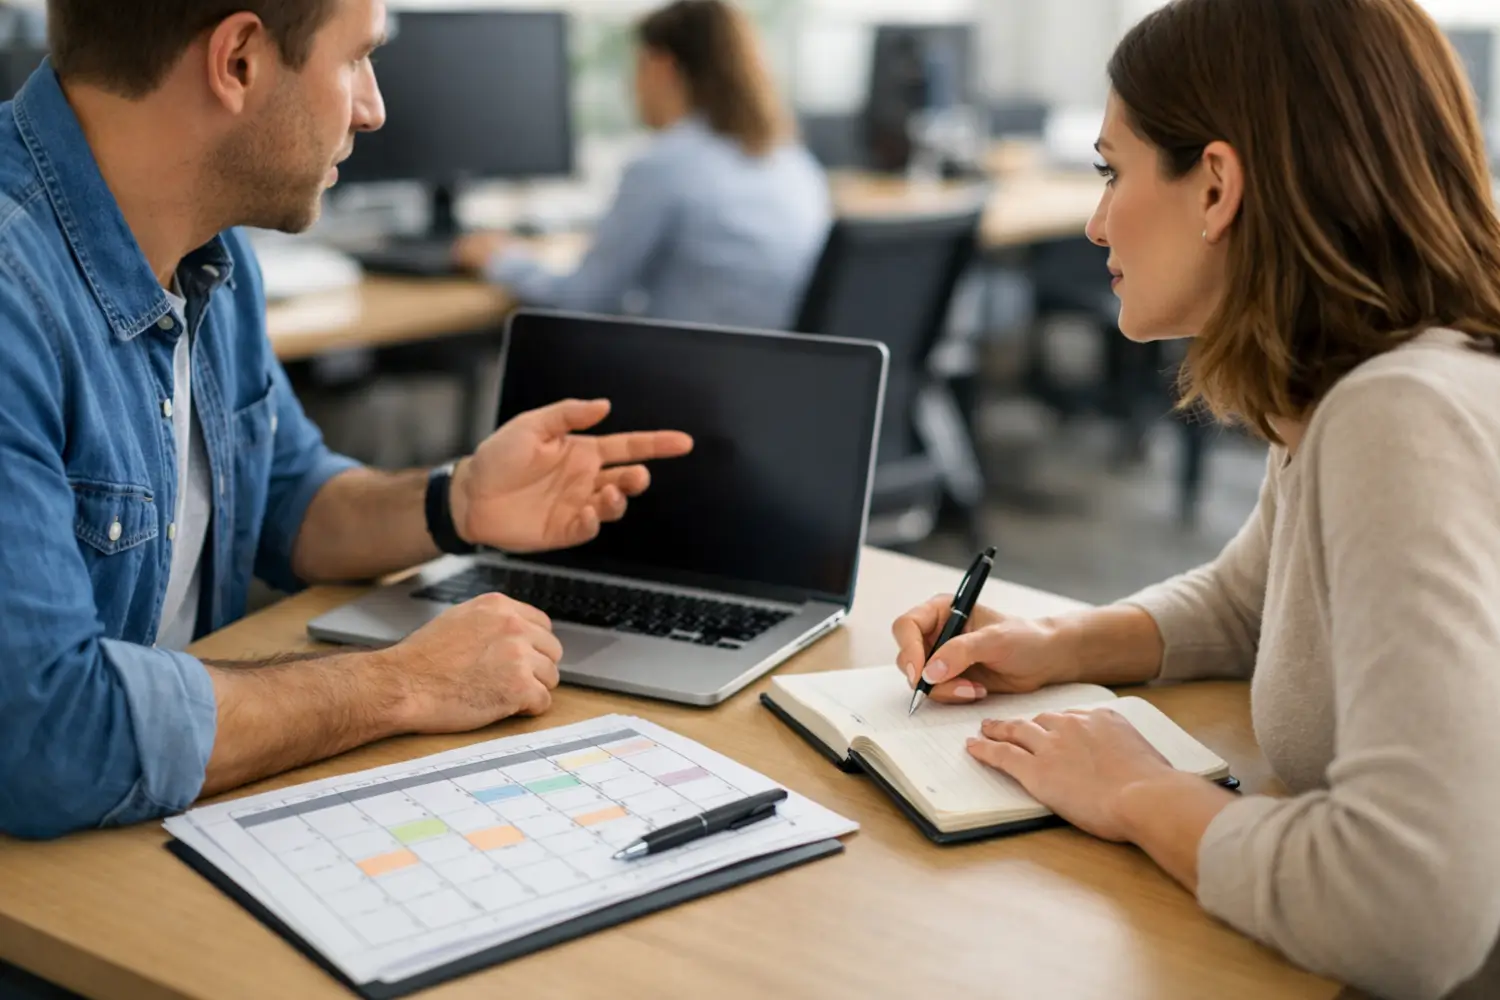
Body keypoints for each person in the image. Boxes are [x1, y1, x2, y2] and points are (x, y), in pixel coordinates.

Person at [892, 1, 1500, 997]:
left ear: (1215, 185)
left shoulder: (1400, 415)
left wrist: (1135, 790)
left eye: (1110, 171)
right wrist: (1059, 645)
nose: (1094, 220)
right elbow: (1254, 603)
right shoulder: (1357, 386)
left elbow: (1409, 904)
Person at [0, 0, 693, 841]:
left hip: (156, 828)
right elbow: (45, 735)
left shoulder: (209, 247)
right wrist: (402, 684)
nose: (373, 107)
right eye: (356, 59)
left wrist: (457, 501)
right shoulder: (12, 295)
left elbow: (287, 495)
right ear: (240, 61)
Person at [452, 0, 830, 332]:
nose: (630, 87)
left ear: (661, 65)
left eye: (635, 68)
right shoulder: (792, 161)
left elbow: (583, 301)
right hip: (771, 376)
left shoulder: (666, 165)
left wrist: (499, 258)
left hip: (696, 378)